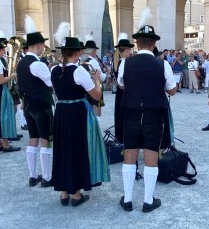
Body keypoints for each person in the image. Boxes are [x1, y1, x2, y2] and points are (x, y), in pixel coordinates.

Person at [118, 12, 177, 212]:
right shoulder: (163, 64)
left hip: (132, 113)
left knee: (130, 154)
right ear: (153, 44)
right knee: (151, 154)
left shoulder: (126, 63)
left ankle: (127, 199)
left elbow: (122, 85)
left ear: (137, 44)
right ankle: (148, 201)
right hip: (153, 113)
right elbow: (172, 90)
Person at [51, 34, 109, 206]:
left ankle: (63, 192)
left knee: (62, 149)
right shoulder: (79, 70)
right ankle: (76, 194)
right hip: (76, 113)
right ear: (77, 53)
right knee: (77, 149)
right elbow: (96, 95)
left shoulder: (54, 70)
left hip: (61, 111)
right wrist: (97, 81)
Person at [17, 19, 55, 187]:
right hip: (41, 104)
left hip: (28, 104)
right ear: (38, 45)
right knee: (46, 138)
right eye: (42, 45)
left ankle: (33, 176)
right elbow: (50, 82)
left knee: (33, 138)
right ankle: (47, 177)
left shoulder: (20, 63)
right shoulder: (36, 63)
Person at [113, 34, 134, 143]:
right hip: (125, 93)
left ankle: (120, 138)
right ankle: (125, 140)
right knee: (125, 117)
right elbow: (121, 83)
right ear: (125, 50)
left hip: (119, 94)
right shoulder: (125, 62)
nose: (130, 52)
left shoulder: (116, 62)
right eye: (129, 50)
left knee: (120, 116)